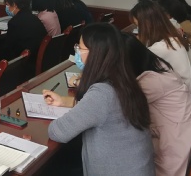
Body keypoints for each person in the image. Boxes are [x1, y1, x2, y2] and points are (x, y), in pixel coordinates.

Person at [43, 24, 154, 176]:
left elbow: (57, 132)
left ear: (95, 54)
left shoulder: (102, 93)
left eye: (80, 48)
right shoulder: (125, 81)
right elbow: (101, 111)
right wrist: (64, 102)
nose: (77, 52)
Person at [121, 33, 191, 176]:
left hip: (177, 151)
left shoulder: (149, 82)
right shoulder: (158, 67)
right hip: (185, 137)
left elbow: (118, 106)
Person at [130, 0, 191, 100]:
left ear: (148, 24)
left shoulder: (160, 48)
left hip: (183, 100)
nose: (138, 30)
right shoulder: (175, 37)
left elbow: (138, 70)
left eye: (138, 26)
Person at [0, 0, 46, 73]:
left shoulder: (15, 22)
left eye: (7, 4)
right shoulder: (35, 19)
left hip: (22, 66)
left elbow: (8, 50)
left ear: (14, 5)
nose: (6, 7)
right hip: (35, 60)